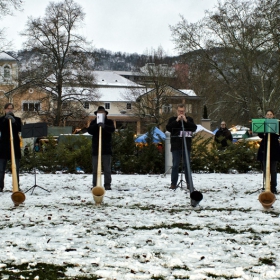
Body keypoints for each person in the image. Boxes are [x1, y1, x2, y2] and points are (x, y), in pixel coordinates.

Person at [166, 104, 197, 190]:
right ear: (177, 111)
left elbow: (194, 128)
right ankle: (173, 183)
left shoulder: (189, 119)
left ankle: (189, 184)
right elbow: (168, 128)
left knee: (187, 165)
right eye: (180, 111)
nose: (181, 113)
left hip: (186, 145)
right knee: (175, 165)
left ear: (185, 111)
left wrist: (186, 121)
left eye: (182, 111)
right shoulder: (172, 119)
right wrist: (177, 120)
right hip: (176, 146)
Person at [87, 106, 115, 190]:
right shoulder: (93, 122)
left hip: (106, 149)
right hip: (96, 149)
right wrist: (96, 125)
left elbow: (112, 129)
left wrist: (104, 126)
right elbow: (90, 131)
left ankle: (107, 184)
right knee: (95, 169)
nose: (101, 114)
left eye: (102, 113)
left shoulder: (109, 122)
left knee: (107, 168)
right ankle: (95, 184)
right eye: (99, 113)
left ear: (105, 114)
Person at [257, 109, 280, 194]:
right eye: (268, 114)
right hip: (264, 148)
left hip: (274, 149)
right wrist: (262, 133)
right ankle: (266, 186)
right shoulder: (263, 124)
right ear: (266, 116)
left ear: (273, 115)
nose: (269, 116)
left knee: (273, 169)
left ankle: (273, 187)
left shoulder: (277, 123)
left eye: (271, 114)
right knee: (265, 169)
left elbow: (278, 135)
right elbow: (260, 135)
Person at [0, 103, 22, 192]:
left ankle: (16, 186)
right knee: (1, 169)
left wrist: (14, 122)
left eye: (11, 109)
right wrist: (5, 120)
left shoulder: (17, 119)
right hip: (3, 147)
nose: (10, 110)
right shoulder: (1, 120)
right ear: (5, 110)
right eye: (8, 109)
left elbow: (20, 129)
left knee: (15, 168)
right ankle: (0, 186)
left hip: (15, 146)